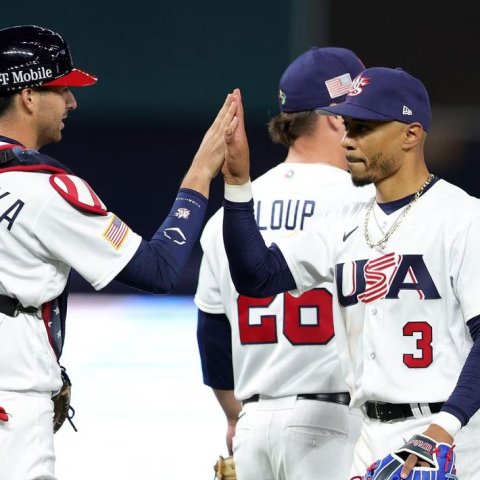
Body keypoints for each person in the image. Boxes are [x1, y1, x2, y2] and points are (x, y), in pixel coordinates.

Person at [0, 25, 237, 480]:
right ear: (28, 95)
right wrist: (200, 174)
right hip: (12, 409)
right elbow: (161, 270)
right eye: (62, 88)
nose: (72, 102)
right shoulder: (46, 190)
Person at [218, 68, 480, 480]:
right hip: (368, 435)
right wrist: (237, 184)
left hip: (448, 435)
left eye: (364, 127)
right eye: (346, 125)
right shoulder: (343, 221)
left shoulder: (463, 218)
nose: (347, 139)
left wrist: (443, 428)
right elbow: (257, 277)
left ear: (411, 135)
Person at [195, 46, 375, 480]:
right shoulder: (365, 204)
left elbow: (213, 333)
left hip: (255, 424)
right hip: (336, 425)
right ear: (336, 117)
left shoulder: (229, 215)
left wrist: (236, 419)